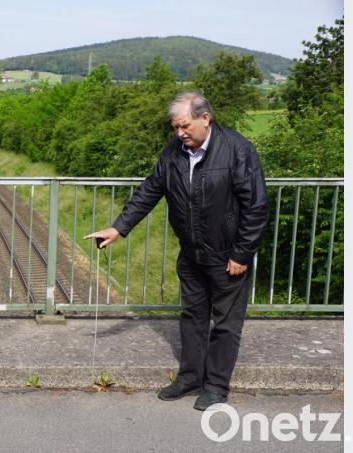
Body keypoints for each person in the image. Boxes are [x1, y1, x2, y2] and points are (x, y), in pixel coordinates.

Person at [84, 92, 268, 410]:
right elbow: (150, 190)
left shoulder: (237, 149)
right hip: (192, 254)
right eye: (175, 128)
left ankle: (215, 386)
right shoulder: (174, 152)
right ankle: (190, 377)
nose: (180, 133)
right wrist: (117, 228)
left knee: (226, 324)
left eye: (184, 126)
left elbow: (256, 206)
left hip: (228, 256)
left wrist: (241, 253)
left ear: (205, 118)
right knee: (192, 317)